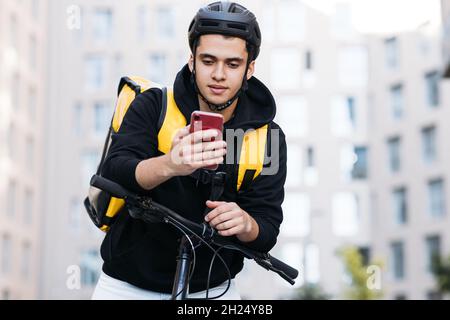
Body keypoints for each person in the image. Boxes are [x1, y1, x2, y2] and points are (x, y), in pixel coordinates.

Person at [92, 1, 287, 300]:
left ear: (250, 69)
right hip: (125, 286)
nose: (219, 74)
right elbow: (115, 171)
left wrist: (246, 223)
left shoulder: (268, 138)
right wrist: (170, 165)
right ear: (192, 61)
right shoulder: (153, 104)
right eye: (208, 61)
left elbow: (267, 228)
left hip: (212, 291)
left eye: (233, 64)